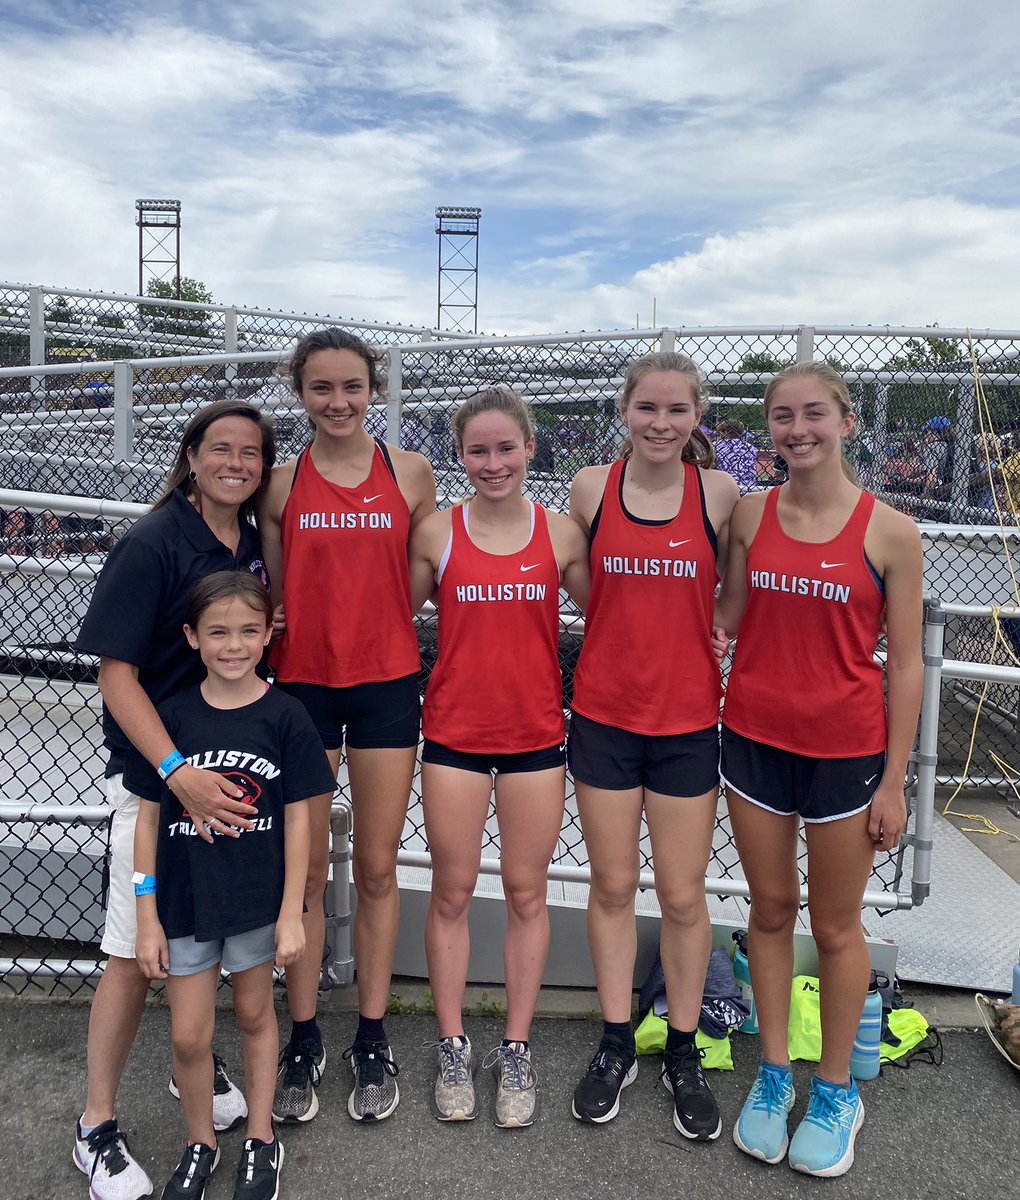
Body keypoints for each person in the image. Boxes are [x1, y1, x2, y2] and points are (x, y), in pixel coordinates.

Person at [715, 361, 923, 1178]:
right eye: (781, 417)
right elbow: (729, 610)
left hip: (847, 753)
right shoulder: (751, 512)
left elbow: (905, 664)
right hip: (756, 740)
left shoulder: (890, 532)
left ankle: (835, 1089)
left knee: (836, 928)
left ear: (846, 421)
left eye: (813, 415)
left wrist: (896, 778)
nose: (797, 430)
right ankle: (773, 1076)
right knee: (769, 911)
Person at [74, 400, 277, 1200]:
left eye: (251, 452)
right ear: (191, 455)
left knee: (207, 936)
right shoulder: (152, 542)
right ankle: (94, 1125)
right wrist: (175, 771)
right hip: (160, 788)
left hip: (223, 784)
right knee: (133, 953)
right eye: (219, 448)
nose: (235, 462)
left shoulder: (250, 543)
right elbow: (116, 674)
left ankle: (190, 1067)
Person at [260, 328, 436, 1123]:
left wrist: (375, 630)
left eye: (352, 387)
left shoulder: (411, 473)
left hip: (386, 686)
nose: (338, 402)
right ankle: (304, 1034)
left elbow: (419, 582)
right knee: (301, 873)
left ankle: (370, 1031)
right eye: (322, 388)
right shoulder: (278, 483)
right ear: (300, 393)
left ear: (375, 391)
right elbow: (274, 587)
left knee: (374, 866)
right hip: (299, 687)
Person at [567, 352, 739, 1141]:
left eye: (676, 410)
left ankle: (681, 1047)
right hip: (604, 717)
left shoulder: (721, 495)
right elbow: (586, 586)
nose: (661, 424)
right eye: (647, 409)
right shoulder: (591, 489)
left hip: (685, 726)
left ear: (696, 416)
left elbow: (729, 597)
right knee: (610, 888)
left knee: (679, 894)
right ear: (624, 411)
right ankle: (612, 1043)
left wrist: (719, 632)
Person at [408, 386, 589, 1128]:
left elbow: (618, 615)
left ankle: (515, 1046)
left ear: (529, 448)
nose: (493, 463)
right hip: (453, 735)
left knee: (525, 892)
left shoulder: (563, 534)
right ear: (461, 456)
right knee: (450, 892)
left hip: (536, 739)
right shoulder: (436, 533)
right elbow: (389, 614)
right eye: (478, 451)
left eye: (505, 448)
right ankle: (452, 1042)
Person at [130, 571, 334, 1200]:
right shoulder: (173, 718)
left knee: (253, 1014)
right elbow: (145, 818)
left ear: (268, 633)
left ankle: (262, 1139)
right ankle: (200, 1141)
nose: (233, 644)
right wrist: (146, 914)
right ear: (192, 637)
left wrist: (293, 911)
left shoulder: (286, 716)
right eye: (217, 632)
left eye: (249, 630)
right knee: (188, 1035)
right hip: (187, 902)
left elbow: (299, 817)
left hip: (254, 901)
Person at [713, 419, 759, 490]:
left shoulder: (716, 446)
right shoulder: (751, 447)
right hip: (750, 487)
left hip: (726, 487)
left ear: (725, 433)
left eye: (720, 433)